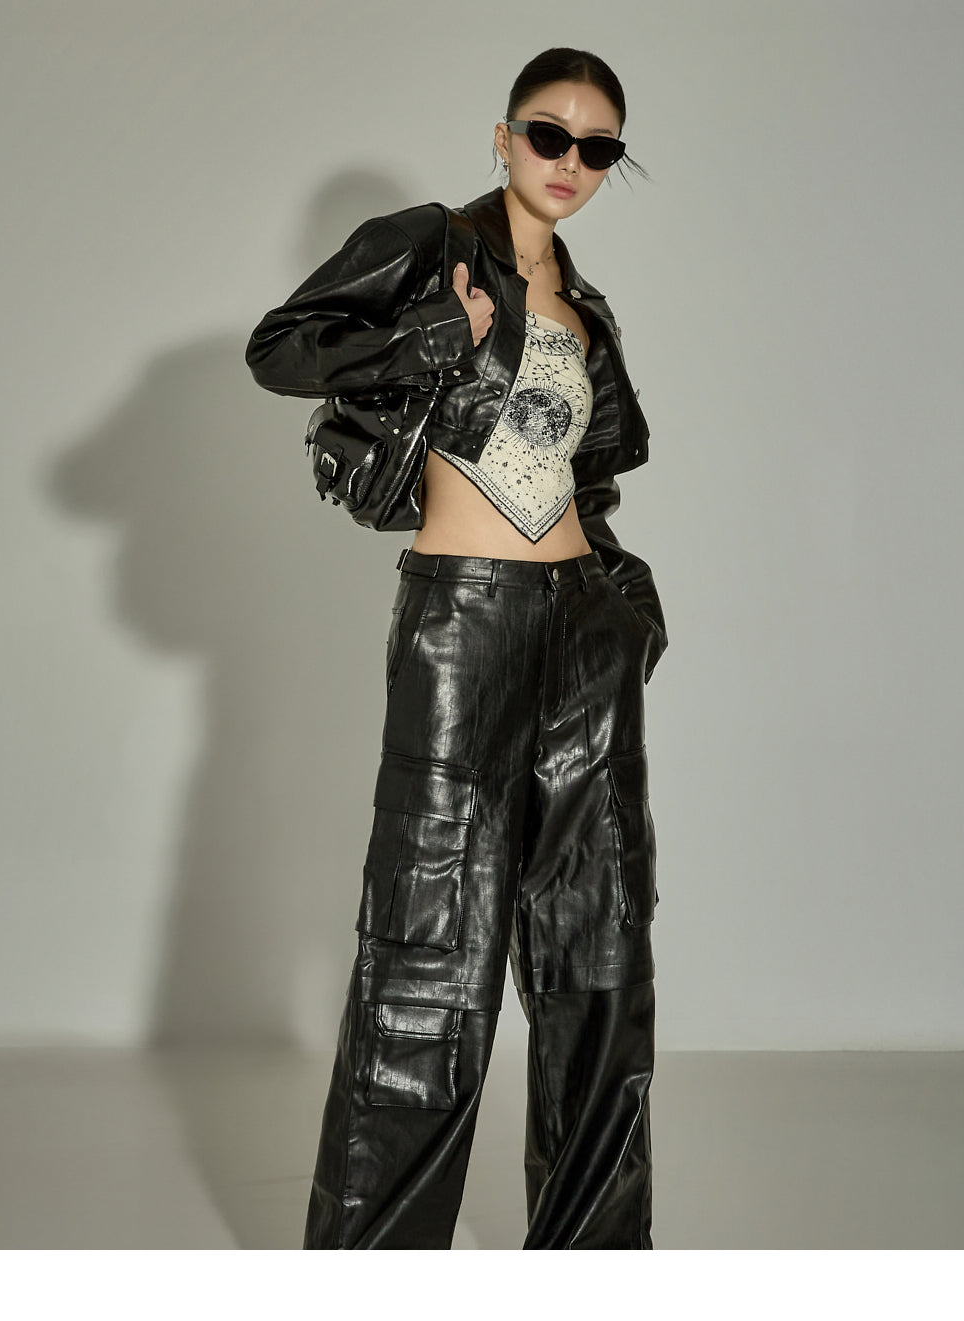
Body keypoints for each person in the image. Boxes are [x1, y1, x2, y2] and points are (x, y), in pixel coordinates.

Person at [245, 46, 669, 1249]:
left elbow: (591, 477)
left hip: (585, 633)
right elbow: (280, 350)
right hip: (463, 621)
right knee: (429, 946)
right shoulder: (433, 247)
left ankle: (595, 1268)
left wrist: (624, 611)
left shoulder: (585, 308)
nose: (569, 162)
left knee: (598, 943)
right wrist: (436, 330)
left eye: (597, 148)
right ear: (503, 136)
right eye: (549, 134)